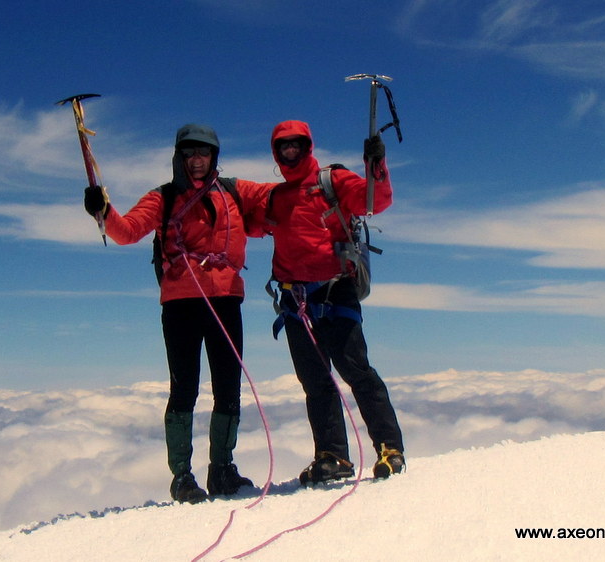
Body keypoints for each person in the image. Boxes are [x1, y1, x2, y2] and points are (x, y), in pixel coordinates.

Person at [83, 124, 275, 503]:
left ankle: (221, 469)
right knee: (184, 387)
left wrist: (326, 182)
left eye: (203, 153)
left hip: (224, 299)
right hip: (182, 303)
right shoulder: (164, 197)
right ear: (179, 157)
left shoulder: (235, 191)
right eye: (190, 153)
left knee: (227, 386)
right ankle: (183, 477)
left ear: (214, 157)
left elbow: (284, 197)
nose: (197, 160)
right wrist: (103, 211)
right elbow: (128, 231)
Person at [261, 119, 405, 484]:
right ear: (276, 153)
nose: (290, 152)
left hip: (335, 289)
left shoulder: (332, 182)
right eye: (283, 147)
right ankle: (333, 454)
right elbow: (247, 220)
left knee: (356, 370)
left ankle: (390, 447)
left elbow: (376, 200)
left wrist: (376, 166)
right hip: (295, 298)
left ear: (307, 147)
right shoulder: (276, 197)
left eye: (296, 145)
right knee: (315, 380)